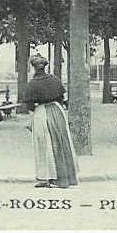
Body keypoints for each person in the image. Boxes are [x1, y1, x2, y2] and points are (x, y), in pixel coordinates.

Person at [23, 54, 78, 189]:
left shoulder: (32, 84)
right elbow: (61, 97)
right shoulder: (55, 79)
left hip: (42, 113)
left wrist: (34, 114)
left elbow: (29, 105)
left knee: (44, 145)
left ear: (33, 68)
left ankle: (46, 177)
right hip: (58, 112)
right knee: (61, 142)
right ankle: (65, 176)